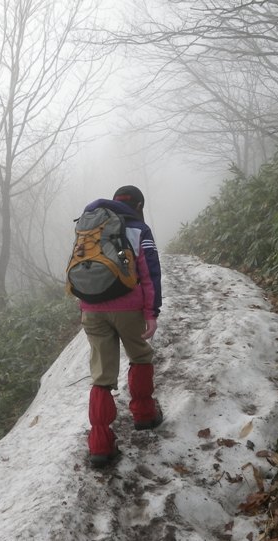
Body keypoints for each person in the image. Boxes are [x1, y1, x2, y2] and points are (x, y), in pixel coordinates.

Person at [79, 185, 163, 467]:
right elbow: (149, 272)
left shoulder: (90, 224)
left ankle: (100, 445)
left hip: (92, 309)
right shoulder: (139, 228)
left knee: (101, 375)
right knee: (140, 356)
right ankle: (144, 414)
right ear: (138, 205)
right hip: (128, 307)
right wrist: (152, 311)